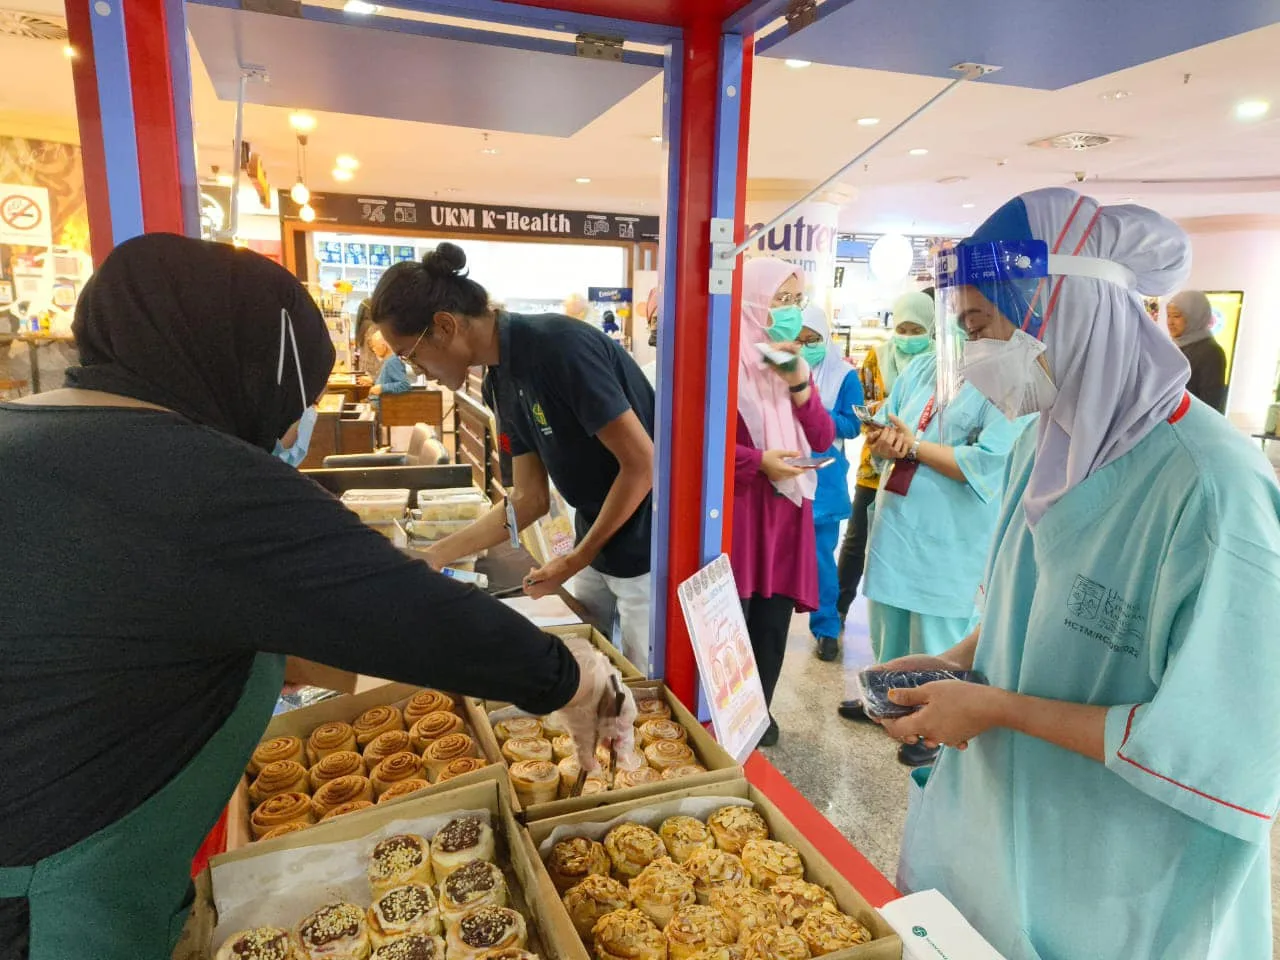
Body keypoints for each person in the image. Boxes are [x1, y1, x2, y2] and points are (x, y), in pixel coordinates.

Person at [0, 235, 632, 960]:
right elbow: (404, 612)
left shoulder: (29, 430)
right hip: (46, 909)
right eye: (291, 403)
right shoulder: (188, 476)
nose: (291, 429)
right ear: (245, 366)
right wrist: (572, 677)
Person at [876, 188, 1280, 959]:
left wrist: (995, 706)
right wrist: (951, 666)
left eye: (985, 330)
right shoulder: (1043, 444)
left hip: (1124, 876)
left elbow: (1217, 742)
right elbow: (1025, 621)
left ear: (1061, 308)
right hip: (1000, 838)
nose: (983, 364)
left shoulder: (1213, 489)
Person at [369, 243, 656, 673]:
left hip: (649, 548)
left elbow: (642, 464)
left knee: (642, 691)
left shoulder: (560, 348)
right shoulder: (498, 381)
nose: (416, 371)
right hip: (598, 537)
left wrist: (575, 558)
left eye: (409, 355)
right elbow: (529, 499)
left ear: (444, 326)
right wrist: (436, 554)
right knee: (590, 667)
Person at [843, 333, 1031, 765]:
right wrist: (884, 439)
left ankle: (931, 735)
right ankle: (889, 702)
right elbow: (890, 427)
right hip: (898, 530)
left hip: (949, 539)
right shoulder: (927, 366)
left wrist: (913, 446)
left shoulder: (1009, 378)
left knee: (937, 640)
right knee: (889, 632)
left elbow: (987, 462)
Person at [732, 258, 835, 746]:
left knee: (772, 625)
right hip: (741, 511)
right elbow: (700, 446)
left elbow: (823, 434)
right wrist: (757, 462)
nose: (791, 312)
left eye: (797, 301)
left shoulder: (791, 365)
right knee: (734, 619)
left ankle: (759, 713)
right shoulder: (724, 364)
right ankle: (725, 718)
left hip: (786, 512)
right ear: (754, 300)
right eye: (781, 300)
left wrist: (798, 382)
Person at [833, 291, 935, 656]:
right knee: (857, 541)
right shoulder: (879, 357)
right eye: (903, 328)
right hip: (874, 468)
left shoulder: (938, 364)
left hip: (920, 472)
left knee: (901, 544)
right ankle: (837, 612)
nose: (908, 336)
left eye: (916, 329)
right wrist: (882, 427)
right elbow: (864, 407)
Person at [795, 304, 863, 662]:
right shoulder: (780, 369)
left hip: (825, 479)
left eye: (813, 339)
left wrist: (816, 414)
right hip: (786, 474)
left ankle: (826, 630)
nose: (806, 346)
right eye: (800, 340)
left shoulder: (844, 376)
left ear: (826, 338)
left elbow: (853, 426)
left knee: (821, 560)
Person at [1166, 289, 1227, 412]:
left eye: (1177, 316)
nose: (1170, 322)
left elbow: (1210, 402)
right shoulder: (1175, 347)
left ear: (1195, 316)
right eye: (1168, 316)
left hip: (1192, 424)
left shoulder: (1211, 352)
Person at [365, 325, 413, 399]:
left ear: (383, 346)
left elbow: (404, 385)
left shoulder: (392, 361)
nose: (373, 350)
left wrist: (381, 388)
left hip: (383, 408)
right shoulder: (389, 360)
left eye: (374, 346)